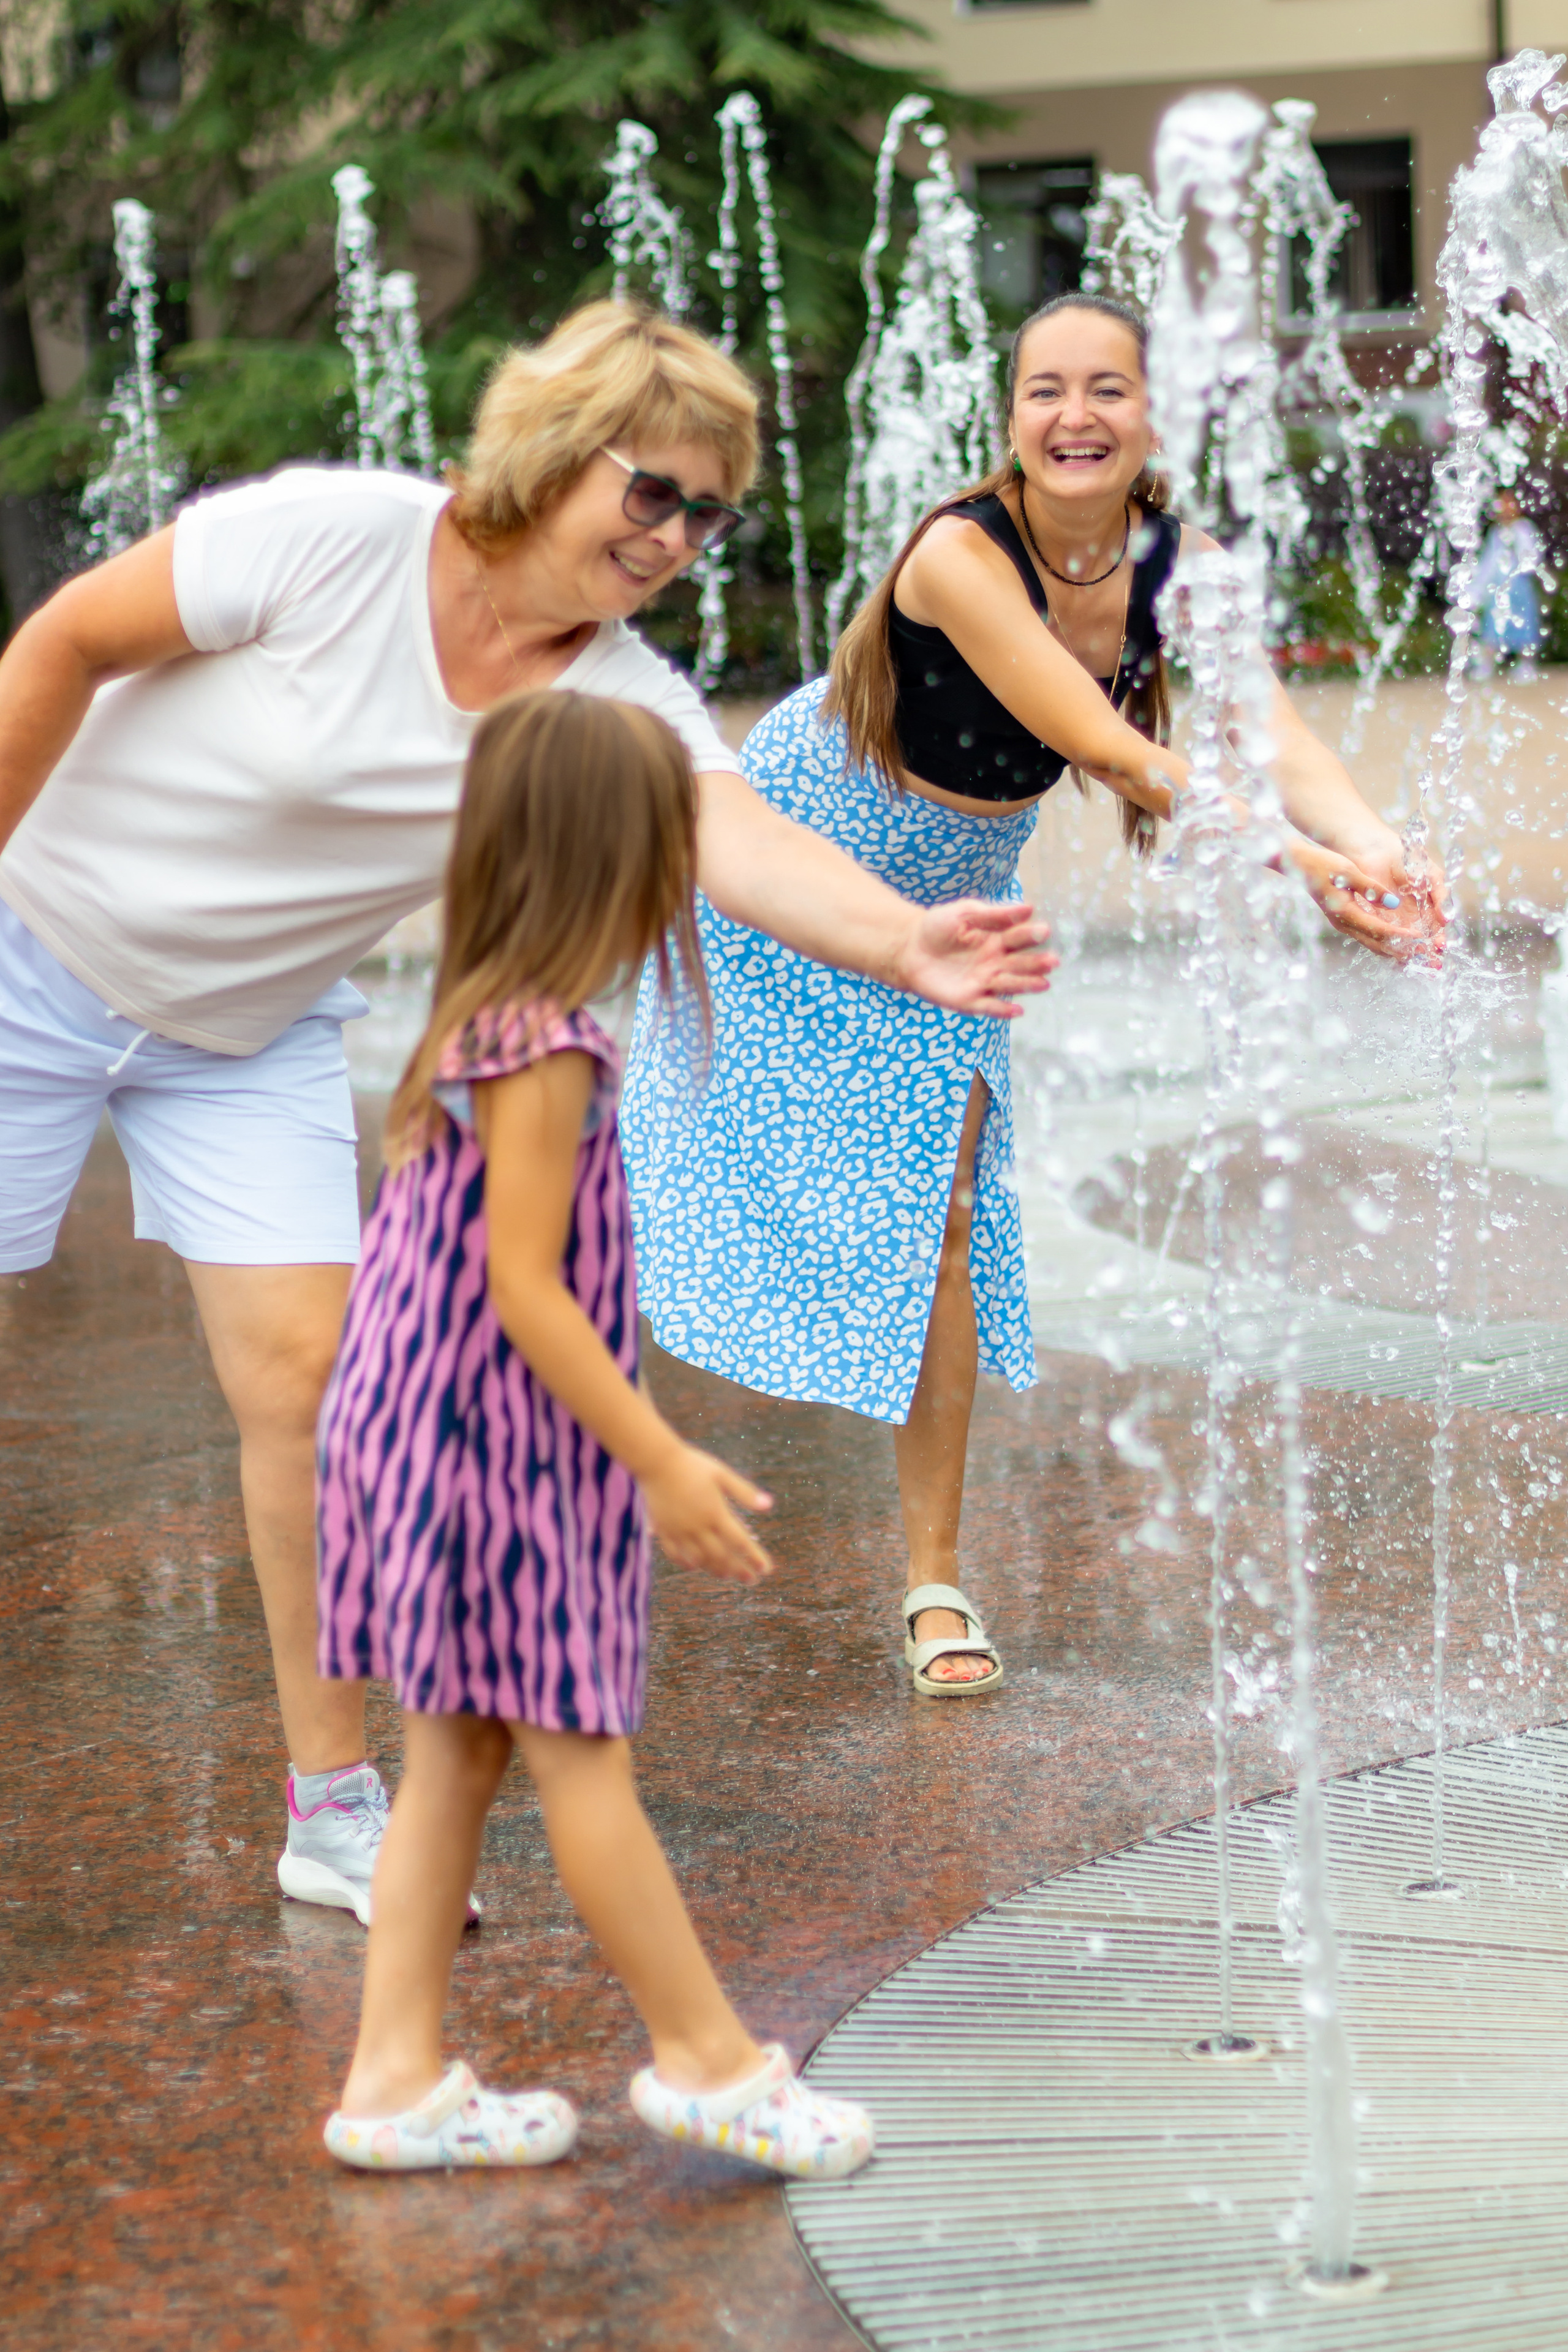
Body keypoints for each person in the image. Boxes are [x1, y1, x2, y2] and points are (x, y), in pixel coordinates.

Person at [0, 301, 1050, 1920]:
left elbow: (730, 836)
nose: (678, 537)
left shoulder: (614, 691)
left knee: (308, 1382)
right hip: (35, 949)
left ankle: (332, 1802)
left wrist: (909, 939)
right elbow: (67, 640)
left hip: (245, 1029)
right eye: (653, 493)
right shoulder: (331, 541)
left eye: (711, 515)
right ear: (556, 455)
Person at [622, 290, 1446, 1700]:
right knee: (671, 1151)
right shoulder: (957, 554)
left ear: (1151, 414)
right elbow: (1104, 745)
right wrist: (1304, 867)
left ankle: (931, 1584)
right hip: (793, 875)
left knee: (938, 1222)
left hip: (953, 916)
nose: (1072, 416)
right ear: (1007, 419)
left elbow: (1281, 737)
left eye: (1105, 389)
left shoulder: (1192, 574)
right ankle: (577, 1438)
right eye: (1042, 390)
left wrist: (1370, 849)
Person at [317, 688, 874, 2179]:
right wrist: (658, 1453)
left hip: (423, 1439)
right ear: (603, 864)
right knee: (580, 1758)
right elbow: (524, 1287)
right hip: (500, 1456)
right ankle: (707, 2061)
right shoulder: (546, 1044)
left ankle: (392, 2074)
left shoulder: (475, 1015)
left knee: (452, 1759)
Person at [1474, 488, 1547, 673]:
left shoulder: (1523, 528)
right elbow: (1488, 563)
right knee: (1492, 624)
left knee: (1524, 622)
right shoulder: (1495, 533)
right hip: (1498, 587)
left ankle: (1526, 664)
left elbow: (1532, 557)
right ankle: (1487, 664)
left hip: (1519, 586)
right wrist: (1477, 589)